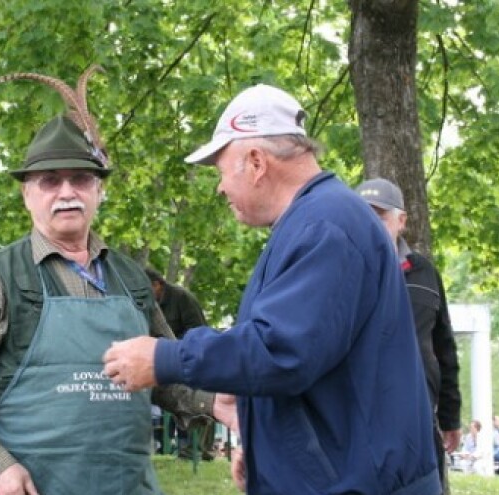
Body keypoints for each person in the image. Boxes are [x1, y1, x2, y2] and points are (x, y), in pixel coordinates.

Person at [104, 83, 441, 494]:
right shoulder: (318, 220)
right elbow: (316, 361)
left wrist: (165, 357)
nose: (220, 186)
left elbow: (280, 351)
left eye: (221, 169)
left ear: (257, 162)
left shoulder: (326, 226)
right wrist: (268, 449)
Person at [0, 68, 232, 495]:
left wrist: (213, 402)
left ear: (99, 191)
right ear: (26, 194)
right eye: (49, 181)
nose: (67, 192)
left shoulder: (131, 279)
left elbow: (163, 370)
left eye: (81, 179)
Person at [355, 177, 462, 490]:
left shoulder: (425, 272)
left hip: (419, 420)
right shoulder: (342, 270)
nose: (370, 225)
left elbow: (444, 347)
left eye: (379, 216)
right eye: (362, 217)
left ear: (400, 221)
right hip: (361, 423)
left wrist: (450, 417)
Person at [144, 267, 215, 461]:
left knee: (199, 401)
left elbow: (199, 331)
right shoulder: (150, 304)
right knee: (176, 404)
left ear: (157, 284)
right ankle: (185, 450)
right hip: (167, 360)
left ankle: (199, 450)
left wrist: (179, 351)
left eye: (147, 287)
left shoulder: (183, 298)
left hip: (192, 359)